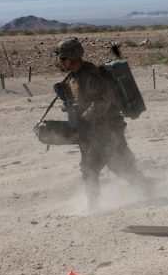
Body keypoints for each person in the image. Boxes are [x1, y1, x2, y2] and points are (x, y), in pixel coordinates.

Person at [53, 37, 153, 209]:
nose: (60, 62)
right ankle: (93, 204)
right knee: (88, 168)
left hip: (107, 130)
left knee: (122, 167)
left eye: (62, 58)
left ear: (73, 56)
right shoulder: (71, 78)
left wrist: (85, 118)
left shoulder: (91, 74)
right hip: (90, 133)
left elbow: (103, 101)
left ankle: (148, 186)